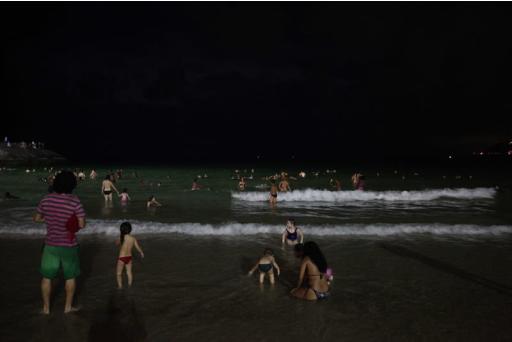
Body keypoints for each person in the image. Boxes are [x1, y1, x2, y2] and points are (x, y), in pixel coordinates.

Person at [33, 170, 86, 314]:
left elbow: (36, 218)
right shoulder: (75, 201)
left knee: (47, 277)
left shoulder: (46, 199)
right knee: (70, 277)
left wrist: (49, 219)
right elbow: (81, 225)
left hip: (50, 245)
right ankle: (68, 308)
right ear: (72, 185)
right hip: (69, 246)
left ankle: (46, 309)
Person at [116, 222, 144, 289]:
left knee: (118, 274)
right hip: (129, 257)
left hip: (122, 258)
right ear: (130, 229)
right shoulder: (133, 238)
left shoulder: (121, 237)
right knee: (129, 272)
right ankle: (129, 285)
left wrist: (119, 238)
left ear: (121, 230)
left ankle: (120, 286)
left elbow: (117, 244)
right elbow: (138, 247)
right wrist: (141, 252)